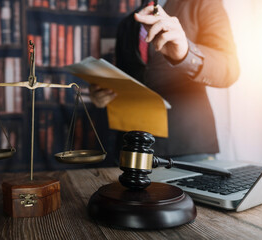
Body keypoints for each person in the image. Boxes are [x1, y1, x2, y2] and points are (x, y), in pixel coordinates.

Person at [89, 0, 240, 161]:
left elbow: (229, 69)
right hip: (133, 150)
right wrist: (103, 96)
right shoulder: (126, 24)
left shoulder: (203, 3)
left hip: (188, 147)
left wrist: (186, 53)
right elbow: (127, 82)